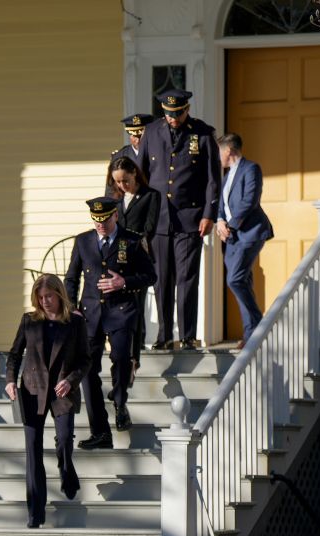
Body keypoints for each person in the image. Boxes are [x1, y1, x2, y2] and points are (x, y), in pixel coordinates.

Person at [65, 197, 156, 450]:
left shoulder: (133, 240)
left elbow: (151, 275)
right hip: (90, 314)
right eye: (95, 221)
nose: (100, 225)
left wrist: (123, 282)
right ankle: (100, 432)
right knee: (87, 371)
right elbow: (71, 279)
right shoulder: (83, 241)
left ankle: (119, 401)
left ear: (115, 216)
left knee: (121, 359)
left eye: (104, 220)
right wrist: (72, 309)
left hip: (121, 311)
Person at [137, 89, 221, 350]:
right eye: (169, 115)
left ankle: (187, 336)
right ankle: (164, 336)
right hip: (159, 220)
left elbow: (212, 179)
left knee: (187, 278)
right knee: (162, 279)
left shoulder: (203, 134)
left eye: (178, 114)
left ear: (187, 109)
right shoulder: (150, 132)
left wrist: (209, 214)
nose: (174, 119)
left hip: (190, 218)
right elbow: (142, 177)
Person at [5, 274, 91, 528]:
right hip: (32, 390)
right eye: (40, 298)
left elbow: (86, 360)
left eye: (49, 297)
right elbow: (14, 354)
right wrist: (10, 380)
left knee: (64, 439)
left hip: (62, 391)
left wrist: (71, 380)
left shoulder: (75, 322)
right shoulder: (29, 321)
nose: (44, 302)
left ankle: (66, 469)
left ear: (59, 294)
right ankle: (35, 513)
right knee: (33, 451)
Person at [216, 133, 274, 349]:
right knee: (243, 281)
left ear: (228, 151)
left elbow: (250, 200)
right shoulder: (227, 175)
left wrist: (230, 224)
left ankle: (258, 326)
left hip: (250, 232)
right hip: (231, 236)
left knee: (235, 279)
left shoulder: (251, 169)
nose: (218, 157)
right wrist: (220, 220)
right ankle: (252, 334)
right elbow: (221, 202)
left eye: (219, 152)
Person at [108, 155, 160, 369]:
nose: (122, 185)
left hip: (138, 256)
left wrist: (133, 241)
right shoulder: (116, 199)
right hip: (117, 257)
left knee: (135, 307)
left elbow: (149, 227)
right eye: (118, 182)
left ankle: (134, 357)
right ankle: (119, 352)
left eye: (125, 180)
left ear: (135, 174)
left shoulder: (150, 196)